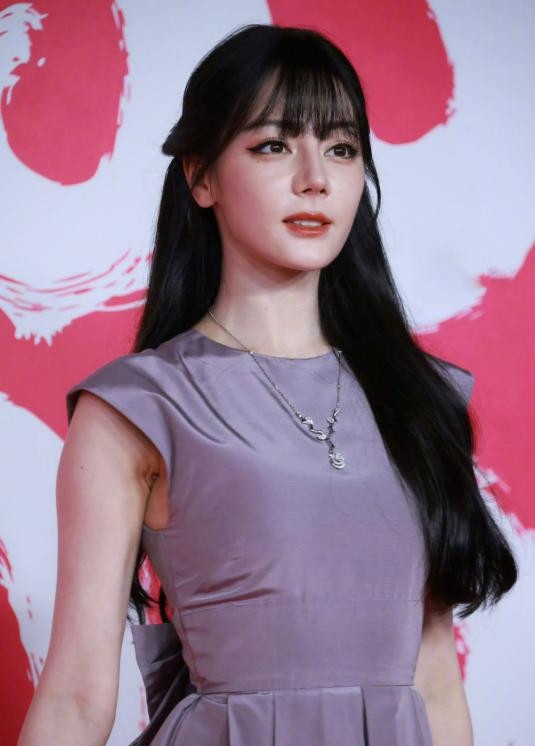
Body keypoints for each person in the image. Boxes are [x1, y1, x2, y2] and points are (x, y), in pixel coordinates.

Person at [19, 23, 517, 746]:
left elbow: (435, 681)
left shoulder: (419, 399)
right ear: (200, 177)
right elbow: (73, 699)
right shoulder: (138, 407)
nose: (315, 178)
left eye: (341, 148)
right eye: (274, 146)